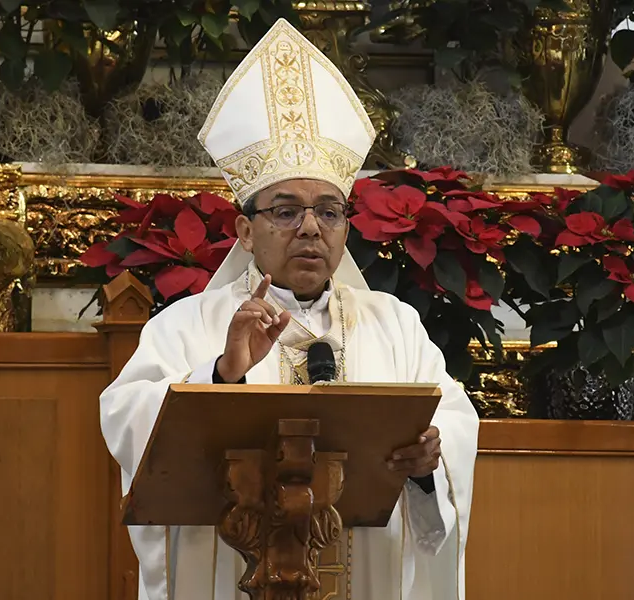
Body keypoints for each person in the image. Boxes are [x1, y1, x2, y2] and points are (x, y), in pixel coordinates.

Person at [99, 18, 479, 600]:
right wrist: (222, 374)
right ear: (245, 231)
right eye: (285, 210)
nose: (310, 227)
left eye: (329, 211)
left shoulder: (395, 325)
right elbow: (126, 418)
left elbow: (452, 419)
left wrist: (432, 456)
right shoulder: (189, 325)